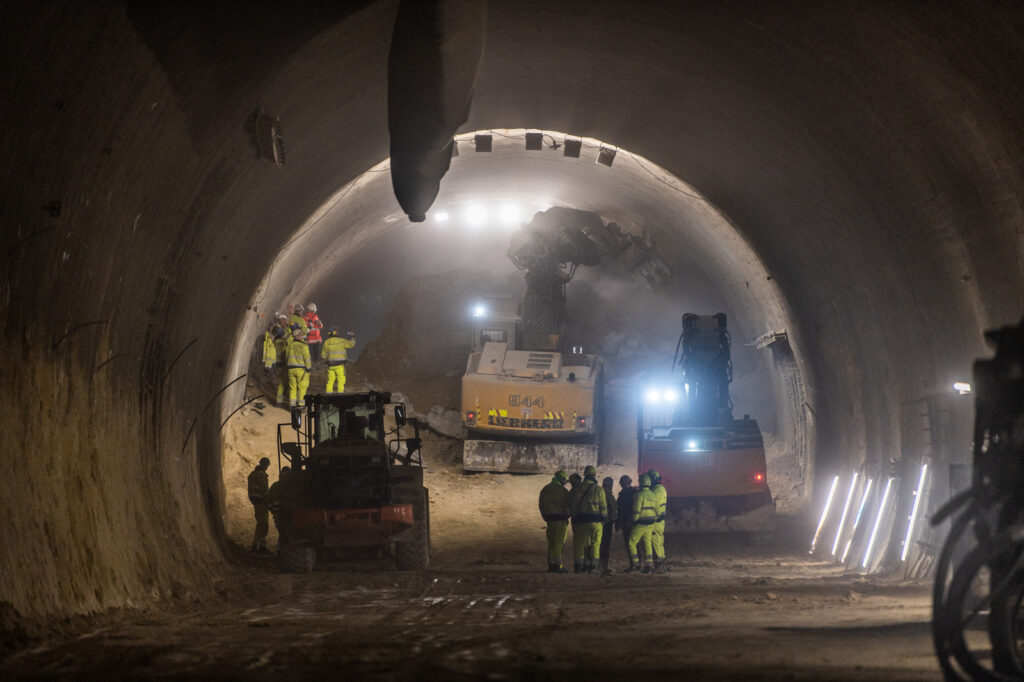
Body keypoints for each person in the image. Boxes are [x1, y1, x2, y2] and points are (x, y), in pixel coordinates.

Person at [569, 465, 607, 573]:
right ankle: (593, 566)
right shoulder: (599, 489)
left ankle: (578, 566)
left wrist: (575, 518)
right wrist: (603, 519)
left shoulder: (578, 489)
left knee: (579, 544)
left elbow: (574, 507)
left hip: (581, 522)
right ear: (594, 475)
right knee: (595, 543)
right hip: (596, 522)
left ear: (584, 475)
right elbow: (603, 507)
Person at [538, 470, 571, 573]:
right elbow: (568, 505)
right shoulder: (563, 491)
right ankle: (557, 565)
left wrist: (545, 517)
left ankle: (551, 565)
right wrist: (568, 515)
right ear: (562, 479)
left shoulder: (545, 489)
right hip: (560, 520)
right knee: (559, 543)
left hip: (549, 520)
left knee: (551, 543)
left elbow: (541, 505)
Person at [627, 474, 658, 572]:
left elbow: (636, 510)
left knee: (631, 543)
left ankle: (636, 564)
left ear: (641, 483)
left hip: (640, 523)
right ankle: (648, 566)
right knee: (648, 544)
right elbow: (657, 510)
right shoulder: (653, 495)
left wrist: (633, 521)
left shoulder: (639, 495)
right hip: (650, 524)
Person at [248, 457, 271, 553]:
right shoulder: (262, 476)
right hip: (262, 502)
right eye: (266, 465)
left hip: (255, 501)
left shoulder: (252, 474)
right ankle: (258, 545)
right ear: (264, 465)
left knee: (260, 523)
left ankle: (260, 545)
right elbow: (265, 491)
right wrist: (269, 501)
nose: (266, 467)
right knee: (263, 524)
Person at [322, 329, 357, 394]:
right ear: (335, 333)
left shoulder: (326, 342)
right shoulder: (341, 341)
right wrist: (353, 337)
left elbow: (323, 355)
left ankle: (328, 394)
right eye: (337, 331)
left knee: (330, 381)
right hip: (339, 365)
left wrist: (327, 361)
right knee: (341, 380)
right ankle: (340, 393)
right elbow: (351, 344)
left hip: (330, 365)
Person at [648, 468, 669, 573]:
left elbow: (652, 505)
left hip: (655, 521)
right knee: (659, 543)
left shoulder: (655, 490)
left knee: (655, 542)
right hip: (660, 521)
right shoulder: (662, 489)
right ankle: (663, 565)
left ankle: (659, 566)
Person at [286, 328, 312, 408]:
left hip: (290, 369)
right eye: (301, 335)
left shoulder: (290, 345)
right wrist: (308, 368)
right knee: (302, 387)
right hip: (301, 370)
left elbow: (286, 356)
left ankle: (292, 405)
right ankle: (301, 405)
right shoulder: (303, 346)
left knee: (292, 388)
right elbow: (307, 358)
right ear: (299, 335)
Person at [599, 476, 618, 574]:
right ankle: (605, 566)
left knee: (598, 543)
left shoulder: (599, 492)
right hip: (607, 522)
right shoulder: (608, 494)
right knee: (605, 544)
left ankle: (596, 565)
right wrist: (615, 520)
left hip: (598, 522)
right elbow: (614, 507)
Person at [617, 475, 637, 565]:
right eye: (623, 484)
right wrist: (618, 523)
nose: (623, 486)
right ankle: (633, 564)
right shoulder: (623, 495)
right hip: (626, 522)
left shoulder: (634, 494)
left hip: (632, 522)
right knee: (629, 544)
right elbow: (619, 510)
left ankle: (636, 564)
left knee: (632, 544)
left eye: (624, 484)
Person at [273, 327, 290, 406]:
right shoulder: (282, 342)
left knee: (282, 382)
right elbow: (285, 353)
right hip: (283, 364)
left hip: (279, 363)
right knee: (285, 382)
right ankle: (282, 400)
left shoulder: (276, 341)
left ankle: (279, 401)